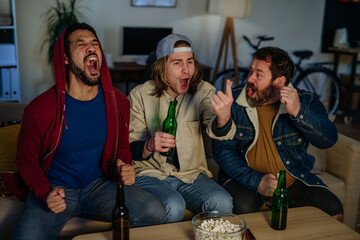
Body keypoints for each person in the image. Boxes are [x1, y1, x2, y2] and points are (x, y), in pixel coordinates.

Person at [11, 22, 166, 240]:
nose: (91, 47)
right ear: (65, 58)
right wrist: (45, 192)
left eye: (94, 43)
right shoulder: (39, 110)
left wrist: (125, 167)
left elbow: (121, 149)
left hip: (98, 187)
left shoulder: (118, 102)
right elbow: (26, 162)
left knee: (155, 210)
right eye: (81, 43)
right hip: (56, 188)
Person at [209, 46, 343, 221]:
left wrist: (299, 112)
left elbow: (329, 139)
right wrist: (256, 181)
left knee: (333, 208)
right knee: (244, 206)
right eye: (251, 71)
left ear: (279, 82)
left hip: (292, 182)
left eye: (258, 74)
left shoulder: (305, 100)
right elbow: (222, 151)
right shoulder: (233, 101)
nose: (249, 78)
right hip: (244, 181)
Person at [128, 33, 233, 223]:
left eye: (190, 62)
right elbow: (128, 147)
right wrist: (149, 145)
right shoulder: (139, 95)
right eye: (177, 63)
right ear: (161, 67)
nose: (186, 70)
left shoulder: (203, 91)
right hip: (150, 173)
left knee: (222, 201)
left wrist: (223, 118)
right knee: (173, 205)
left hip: (191, 174)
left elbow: (215, 124)